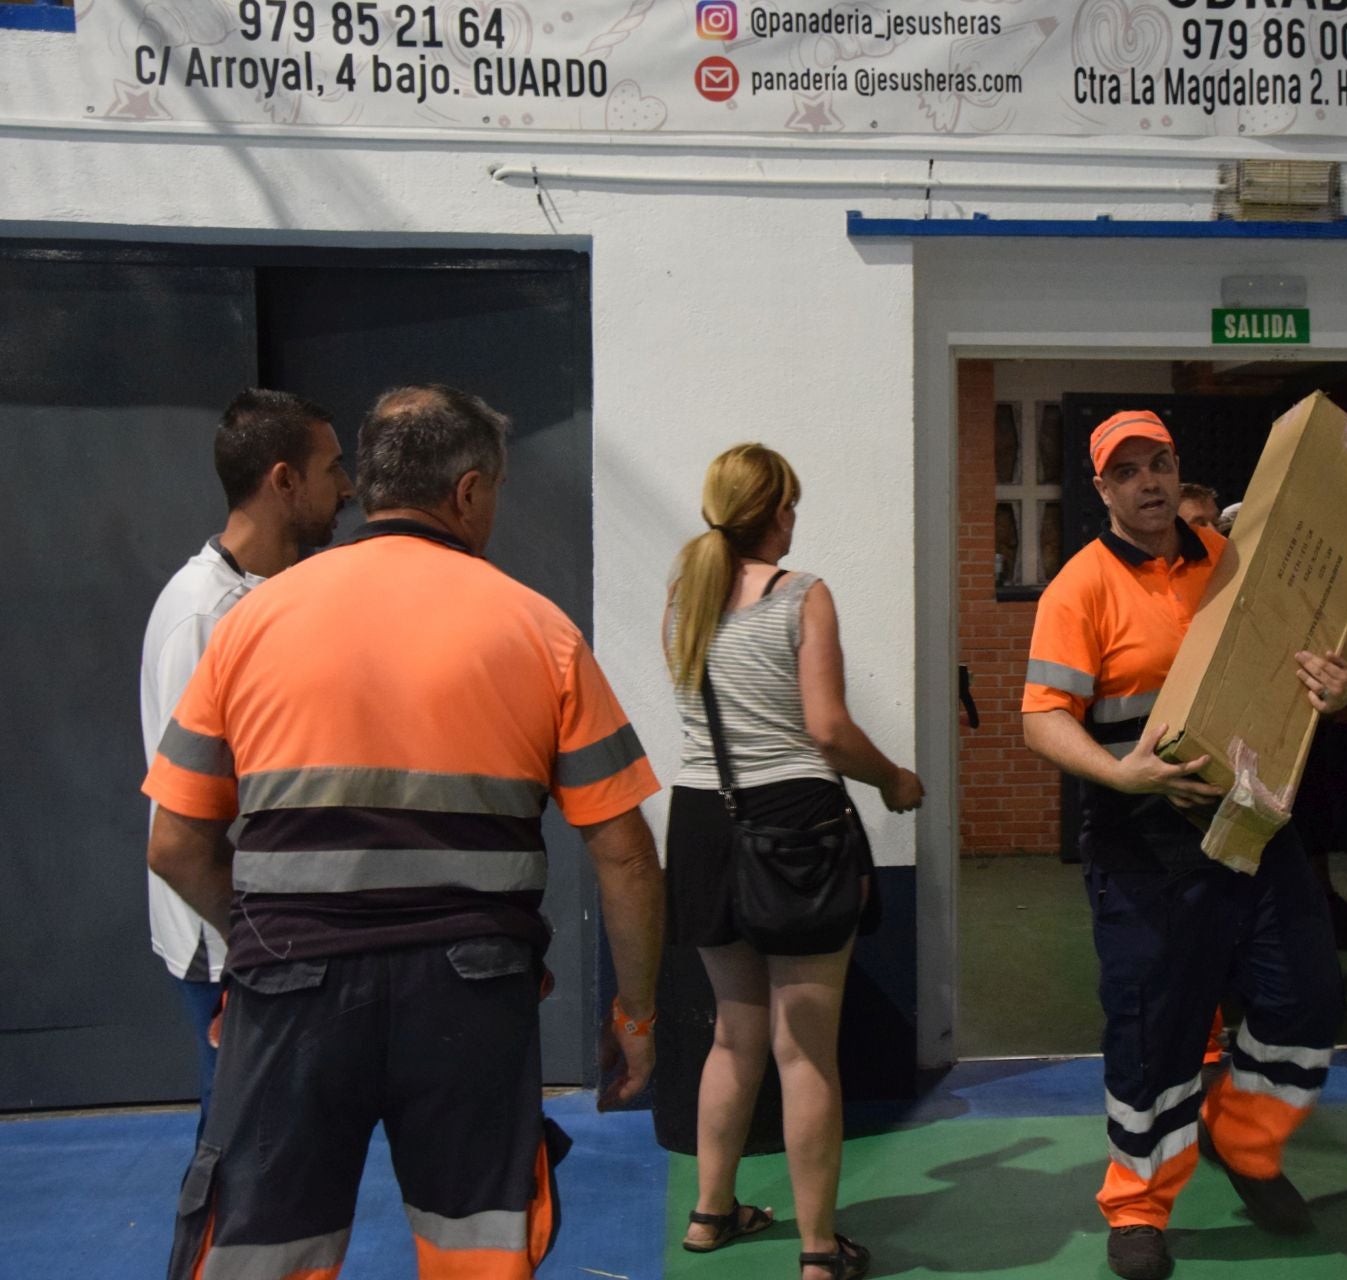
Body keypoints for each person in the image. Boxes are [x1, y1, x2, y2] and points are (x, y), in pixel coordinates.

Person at [144, 385, 667, 1280]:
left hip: (293, 994)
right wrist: (637, 1014)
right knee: (474, 1252)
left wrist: (263, 941)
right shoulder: (541, 631)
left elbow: (176, 844)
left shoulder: (251, 623)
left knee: (264, 1253)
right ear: (466, 493)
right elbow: (623, 853)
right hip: (471, 998)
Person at [1022, 410, 1347, 1280]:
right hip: (1143, 843)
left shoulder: (1232, 563)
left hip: (1253, 822)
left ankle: (1244, 1141)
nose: (1149, 482)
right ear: (1102, 489)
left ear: (1179, 468)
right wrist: (1118, 774)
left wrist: (1333, 687)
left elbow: (1303, 660)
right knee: (1155, 1033)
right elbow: (1040, 718)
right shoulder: (1079, 588)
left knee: (1307, 996)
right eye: (1127, 471)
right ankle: (1137, 1205)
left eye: (1159, 463)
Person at [663, 443, 923, 1280]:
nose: (794, 522)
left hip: (701, 822)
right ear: (774, 511)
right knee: (805, 1050)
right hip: (795, 825)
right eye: (791, 506)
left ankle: (711, 1213)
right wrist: (894, 778)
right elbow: (826, 731)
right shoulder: (800, 595)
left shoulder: (686, 596)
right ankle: (818, 1250)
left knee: (732, 1036)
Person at [138, 388, 353, 1125]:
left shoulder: (277, 600)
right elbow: (179, 841)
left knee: (284, 1154)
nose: (349, 488)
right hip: (238, 951)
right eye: (334, 469)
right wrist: (264, 943)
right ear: (284, 481)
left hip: (284, 939)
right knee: (242, 1157)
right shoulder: (204, 615)